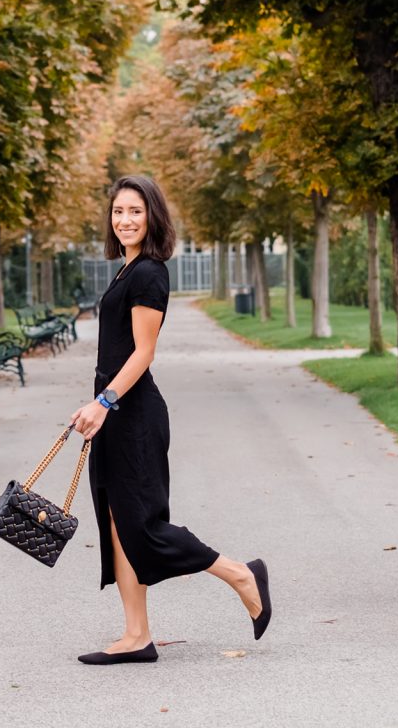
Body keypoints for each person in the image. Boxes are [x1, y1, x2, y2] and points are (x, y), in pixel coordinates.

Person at [71, 174, 271, 665]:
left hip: (132, 414)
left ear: (153, 215)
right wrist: (99, 404)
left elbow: (144, 352)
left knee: (145, 527)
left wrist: (105, 401)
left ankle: (241, 574)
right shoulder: (126, 269)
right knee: (118, 527)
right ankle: (137, 636)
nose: (125, 220)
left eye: (135, 211)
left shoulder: (149, 273)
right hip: (115, 413)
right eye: (118, 211)